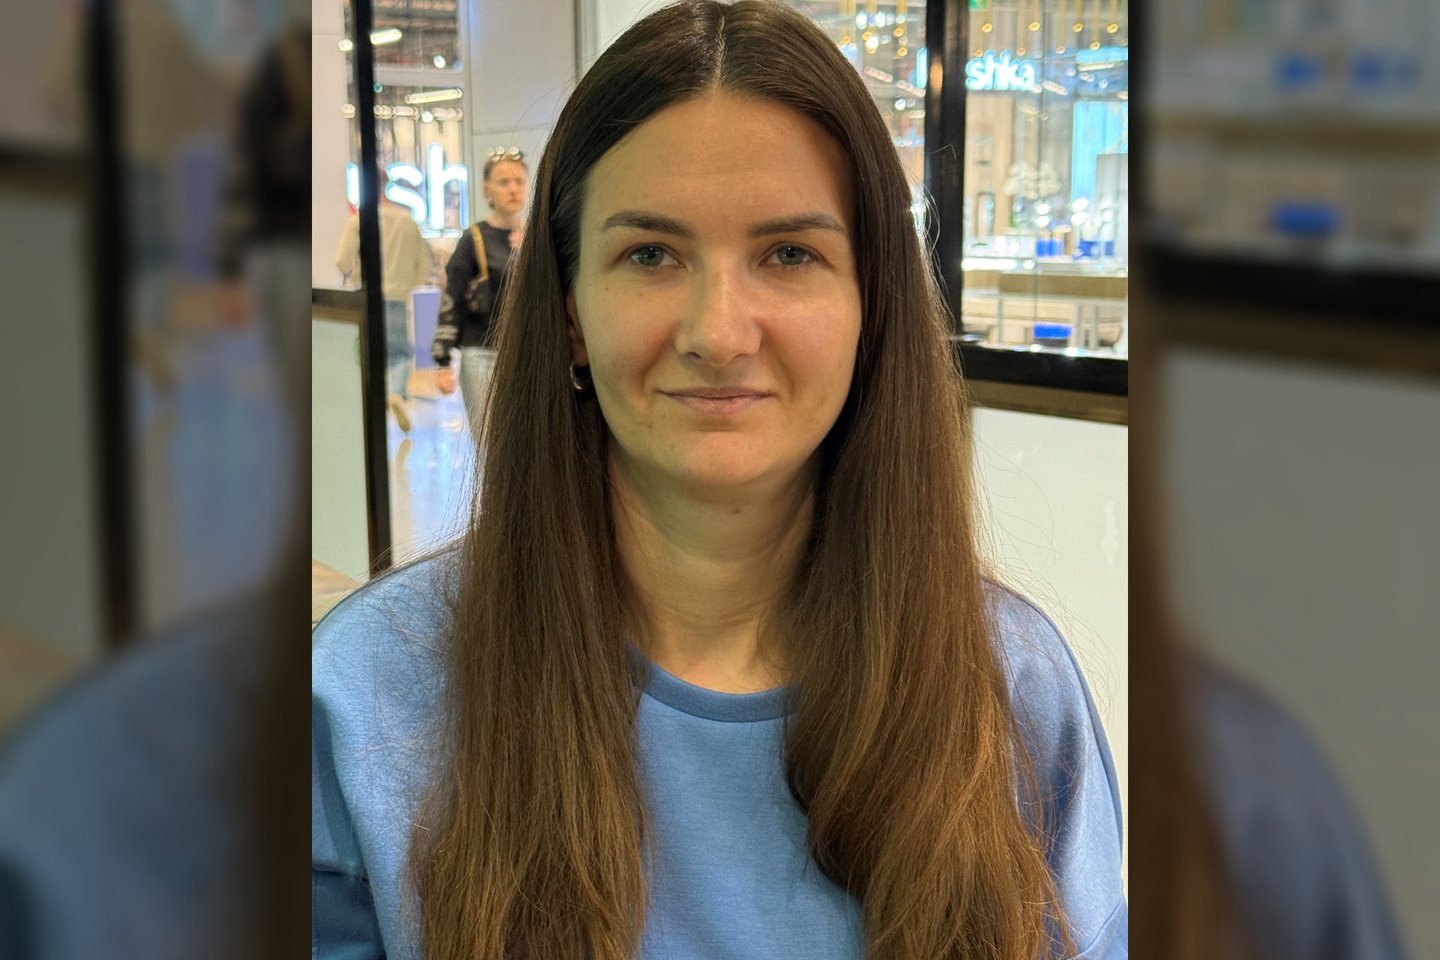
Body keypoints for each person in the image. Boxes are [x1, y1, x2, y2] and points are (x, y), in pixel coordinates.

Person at [312, 3, 1126, 960]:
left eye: (789, 254)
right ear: (571, 314)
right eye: (651, 255)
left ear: (870, 305)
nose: (718, 333)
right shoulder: (365, 698)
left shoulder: (1014, 693)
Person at [432, 148, 529, 437]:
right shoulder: (474, 239)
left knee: (526, 441)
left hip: (527, 354)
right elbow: (451, 298)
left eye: (519, 181)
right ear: (488, 190)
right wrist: (442, 362)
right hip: (482, 354)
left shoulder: (536, 236)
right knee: (489, 440)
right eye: (504, 182)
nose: (513, 189)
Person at [335, 169, 436, 432]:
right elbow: (424, 265)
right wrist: (408, 284)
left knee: (366, 352)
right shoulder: (407, 221)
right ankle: (395, 393)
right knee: (400, 353)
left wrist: (353, 273)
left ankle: (370, 402)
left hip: (367, 297)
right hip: (397, 298)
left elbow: (342, 260)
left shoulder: (358, 221)